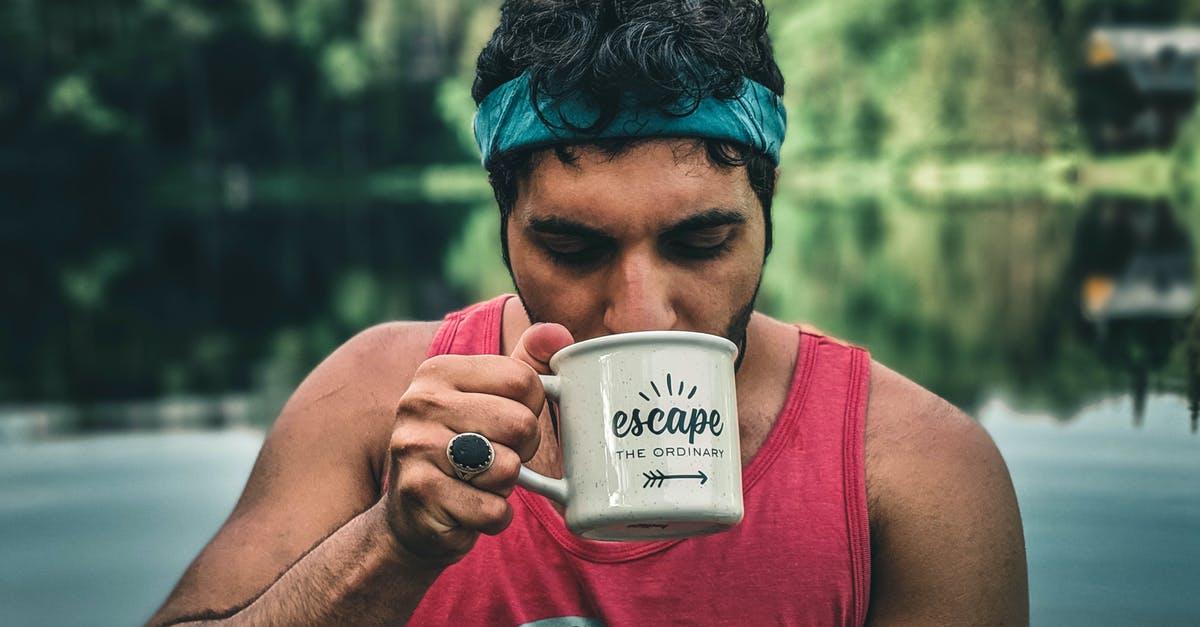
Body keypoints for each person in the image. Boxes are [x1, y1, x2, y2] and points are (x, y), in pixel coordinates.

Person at [149, 0, 1028, 624]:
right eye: (573, 250)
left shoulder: (916, 472)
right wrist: (394, 547)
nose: (638, 313)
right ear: (503, 221)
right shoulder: (376, 401)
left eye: (701, 242)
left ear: (769, 207)